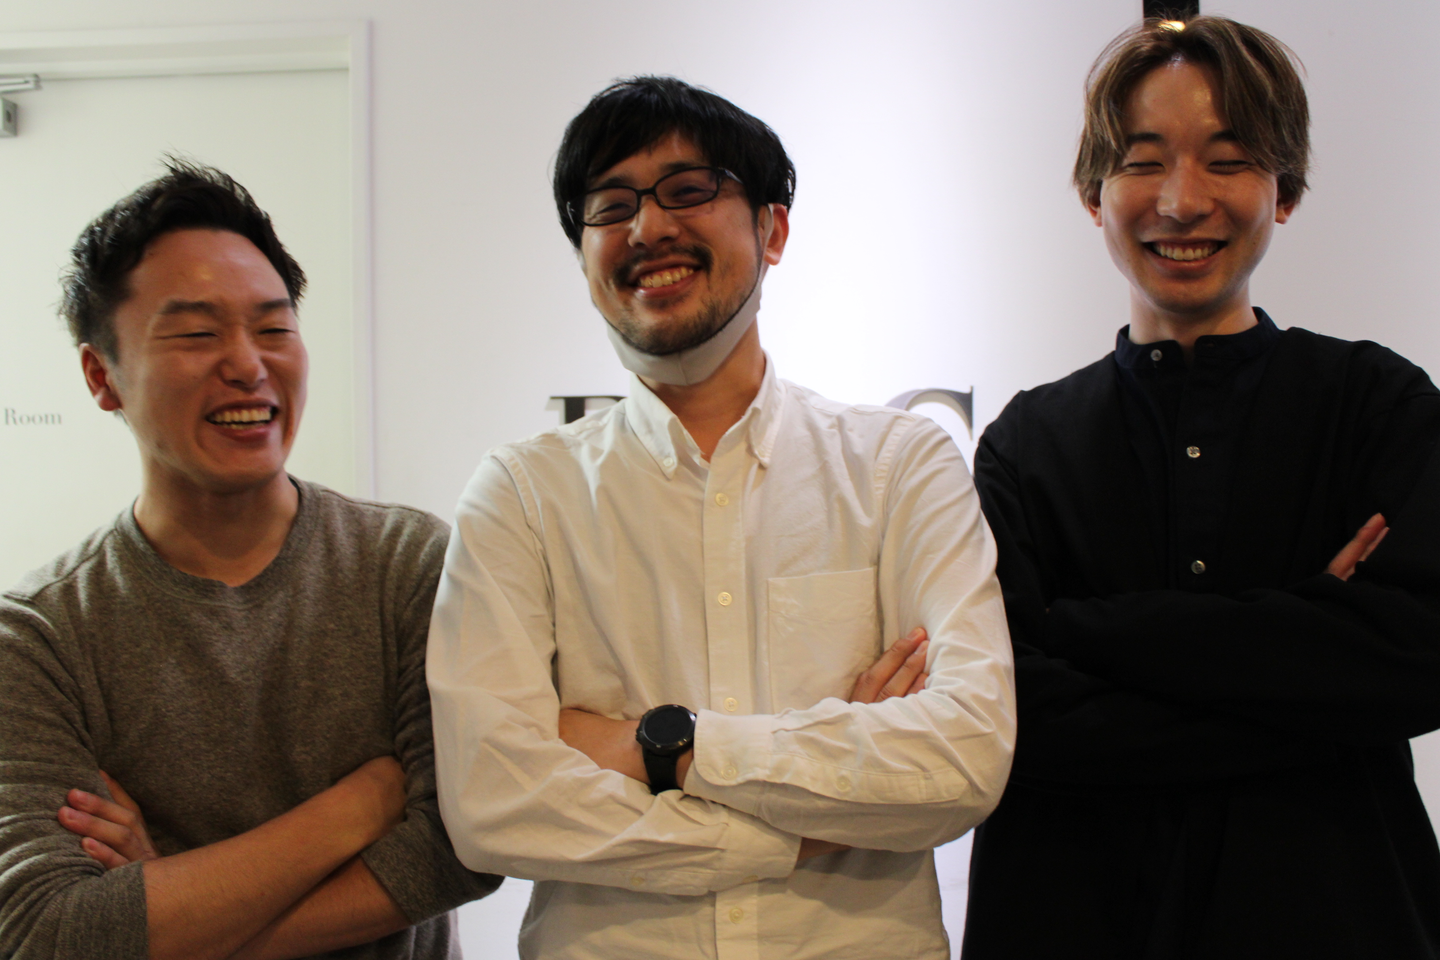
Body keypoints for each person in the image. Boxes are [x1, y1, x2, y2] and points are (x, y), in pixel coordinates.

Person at [426, 76, 1015, 960]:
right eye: (611, 205)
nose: (646, 228)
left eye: (688, 190)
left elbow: (962, 758)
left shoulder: (899, 467)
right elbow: (492, 802)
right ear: (583, 257)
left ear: (773, 229)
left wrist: (660, 749)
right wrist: (812, 811)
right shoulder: (522, 495)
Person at [962, 16, 1440, 959]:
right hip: (1073, 919)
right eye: (1144, 162)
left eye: (1228, 161)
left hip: (1338, 916)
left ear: (1284, 190)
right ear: (1093, 194)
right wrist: (1310, 659)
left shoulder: (1377, 404)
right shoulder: (1024, 445)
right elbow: (1012, 715)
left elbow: (1419, 659)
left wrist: (1085, 629)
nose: (1182, 201)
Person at [0, 161, 498, 960]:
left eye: (273, 329)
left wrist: (175, 909)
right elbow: (45, 930)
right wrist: (359, 806)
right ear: (102, 376)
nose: (246, 364)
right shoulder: (39, 636)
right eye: (197, 334)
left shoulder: (407, 566)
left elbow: (462, 847)